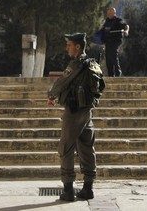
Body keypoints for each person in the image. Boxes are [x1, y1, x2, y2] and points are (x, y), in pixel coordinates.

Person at [47, 33, 97, 202]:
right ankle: (88, 188)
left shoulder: (76, 64)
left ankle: (68, 190)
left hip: (74, 111)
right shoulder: (92, 64)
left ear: (78, 47)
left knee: (66, 148)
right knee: (86, 148)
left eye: (69, 45)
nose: (66, 48)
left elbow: (62, 82)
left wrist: (51, 95)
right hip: (87, 112)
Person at [101, 7, 129, 77]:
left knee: (113, 54)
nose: (109, 14)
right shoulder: (106, 21)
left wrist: (126, 31)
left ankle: (118, 72)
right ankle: (111, 74)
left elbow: (126, 26)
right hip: (108, 41)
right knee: (108, 57)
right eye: (108, 13)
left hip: (116, 41)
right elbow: (102, 30)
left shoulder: (118, 20)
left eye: (111, 13)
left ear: (114, 13)